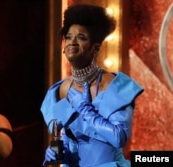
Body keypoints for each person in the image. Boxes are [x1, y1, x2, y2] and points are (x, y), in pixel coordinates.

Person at [41, 4, 144, 167]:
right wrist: (58, 154)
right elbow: (65, 140)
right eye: (68, 37)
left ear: (95, 48)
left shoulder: (116, 85)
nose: (72, 42)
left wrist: (85, 110)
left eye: (81, 37)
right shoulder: (59, 90)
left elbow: (119, 137)